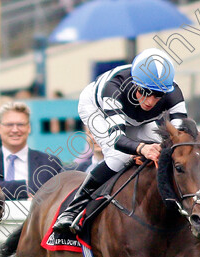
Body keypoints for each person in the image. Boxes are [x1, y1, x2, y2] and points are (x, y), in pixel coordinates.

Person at [53, 48, 187, 233]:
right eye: (145, 92)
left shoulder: (173, 92)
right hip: (96, 109)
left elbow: (180, 135)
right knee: (119, 156)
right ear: (135, 84)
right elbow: (118, 140)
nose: (150, 100)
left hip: (138, 119)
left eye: (157, 95)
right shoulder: (113, 88)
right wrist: (142, 149)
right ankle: (73, 208)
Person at [0, 100, 63, 200]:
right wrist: (25, 188)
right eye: (9, 125)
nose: (15, 130)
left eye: (20, 124)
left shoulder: (50, 164)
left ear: (29, 128)